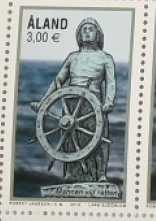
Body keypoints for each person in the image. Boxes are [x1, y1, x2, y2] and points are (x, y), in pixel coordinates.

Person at [39, 18, 118, 189]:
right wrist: (44, 102)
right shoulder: (72, 57)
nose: (87, 32)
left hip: (94, 103)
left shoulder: (106, 58)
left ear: (98, 34)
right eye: (84, 29)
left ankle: (101, 175)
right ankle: (70, 174)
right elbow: (59, 80)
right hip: (70, 103)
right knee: (68, 137)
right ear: (79, 35)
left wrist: (108, 102)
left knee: (100, 139)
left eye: (91, 29)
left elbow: (111, 83)